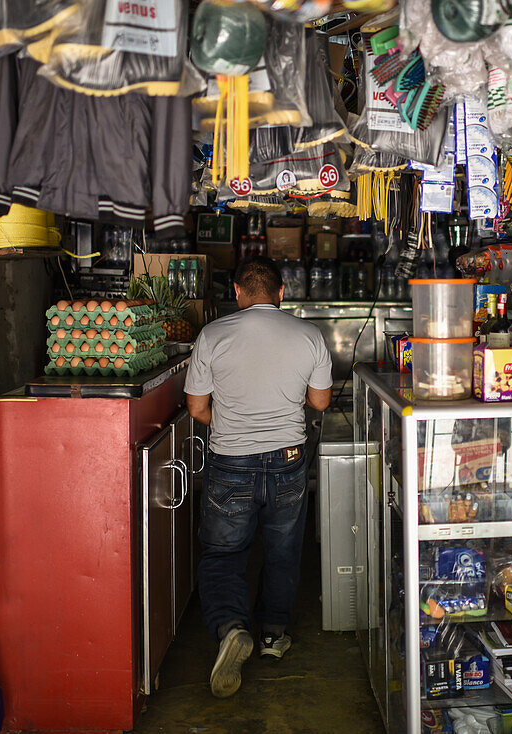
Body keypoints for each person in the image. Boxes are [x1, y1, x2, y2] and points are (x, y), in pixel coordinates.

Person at [184, 256, 332, 699]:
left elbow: (196, 408)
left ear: (237, 293)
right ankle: (272, 636)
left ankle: (231, 627)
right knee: (284, 549)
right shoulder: (308, 335)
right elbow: (320, 403)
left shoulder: (213, 335)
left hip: (231, 459)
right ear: (281, 291)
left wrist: (232, 428)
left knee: (224, 553)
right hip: (288, 457)